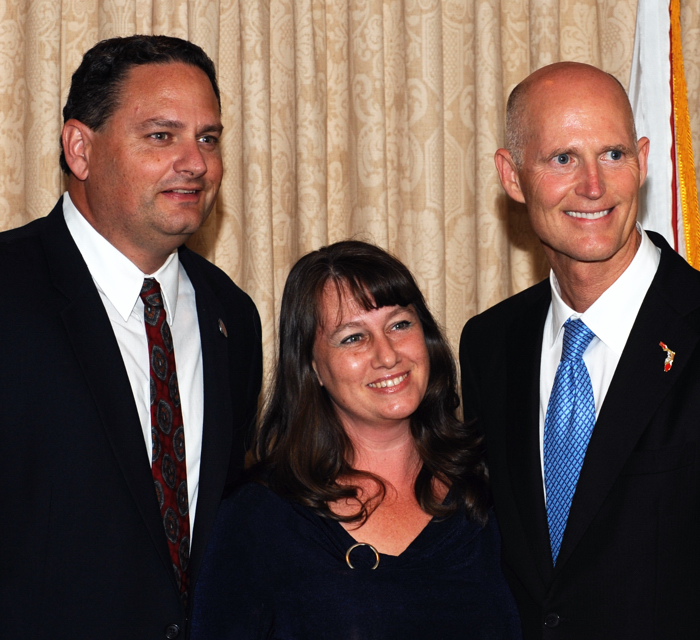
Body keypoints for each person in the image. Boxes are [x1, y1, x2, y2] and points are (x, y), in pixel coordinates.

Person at [0, 35, 262, 639]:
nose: (195, 163)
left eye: (208, 138)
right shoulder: (9, 289)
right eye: (161, 136)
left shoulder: (232, 315)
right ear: (80, 149)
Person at [460, 61, 700, 639]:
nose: (593, 186)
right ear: (512, 176)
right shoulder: (489, 345)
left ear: (643, 160)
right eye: (563, 158)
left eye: (613, 154)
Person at [191, 240, 522, 639]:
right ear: (312, 367)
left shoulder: (492, 486)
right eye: (353, 338)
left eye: (400, 324)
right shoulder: (257, 518)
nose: (387, 355)